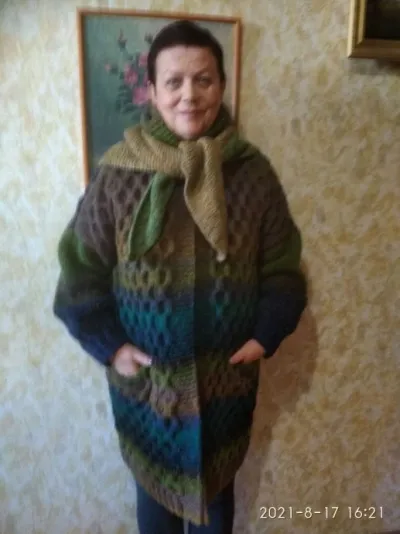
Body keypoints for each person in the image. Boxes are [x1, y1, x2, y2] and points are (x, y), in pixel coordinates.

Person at [53, 20, 307, 534]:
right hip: (148, 398)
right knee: (155, 516)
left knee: (218, 516)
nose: (189, 95)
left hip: (224, 393)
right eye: (174, 81)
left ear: (221, 86)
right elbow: (79, 275)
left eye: (203, 79)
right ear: (151, 91)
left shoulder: (253, 174)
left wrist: (265, 334)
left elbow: (283, 268)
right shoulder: (117, 175)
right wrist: (111, 346)